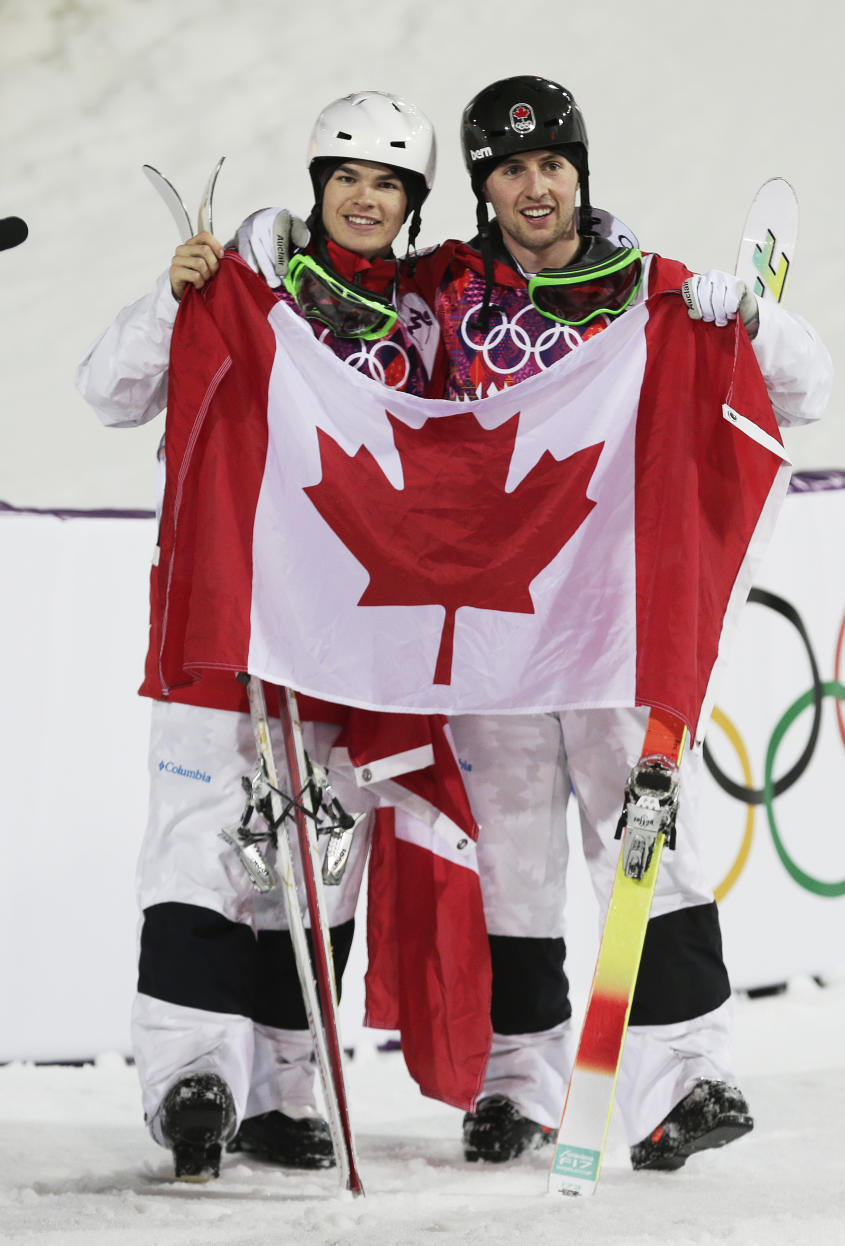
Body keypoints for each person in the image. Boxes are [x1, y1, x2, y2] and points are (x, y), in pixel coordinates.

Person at [407, 75, 833, 1170]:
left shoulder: (647, 289)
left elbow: (808, 385)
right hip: (492, 622)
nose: (534, 185)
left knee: (643, 835)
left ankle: (688, 1071)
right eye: (511, 169)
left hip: (609, 621)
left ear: (579, 173)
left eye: (552, 163)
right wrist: (267, 258)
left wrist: (751, 316)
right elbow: (343, 333)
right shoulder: (445, 293)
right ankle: (520, 1079)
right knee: (510, 859)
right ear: (484, 187)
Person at [76, 91, 442, 1180]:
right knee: (201, 846)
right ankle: (193, 1080)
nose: (365, 200)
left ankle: (288, 1093)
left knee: (316, 866)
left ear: (411, 204)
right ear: (319, 186)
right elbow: (108, 393)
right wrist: (169, 299)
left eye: (388, 184)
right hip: (226, 615)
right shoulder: (244, 284)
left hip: (350, 634)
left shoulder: (424, 328)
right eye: (348, 179)